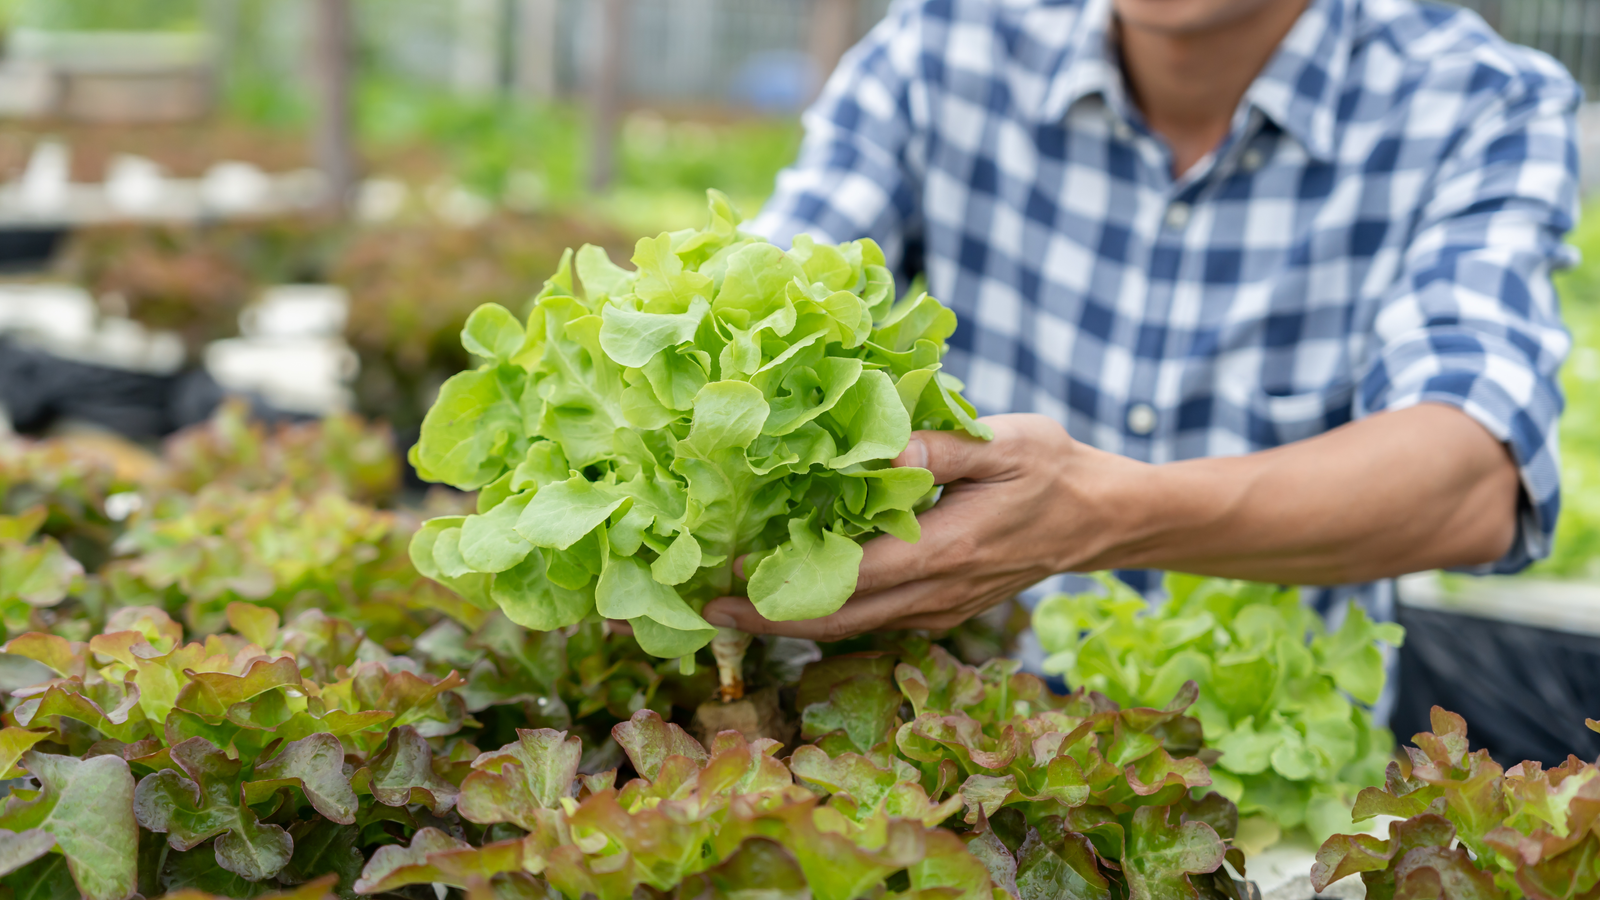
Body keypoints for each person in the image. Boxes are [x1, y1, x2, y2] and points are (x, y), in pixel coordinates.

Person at [699, 0, 1580, 648]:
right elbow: (765, 312)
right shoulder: (940, 47)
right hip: (948, 734)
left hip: (1277, 816)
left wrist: (1100, 512)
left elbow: (1472, 479)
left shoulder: (1475, 100)